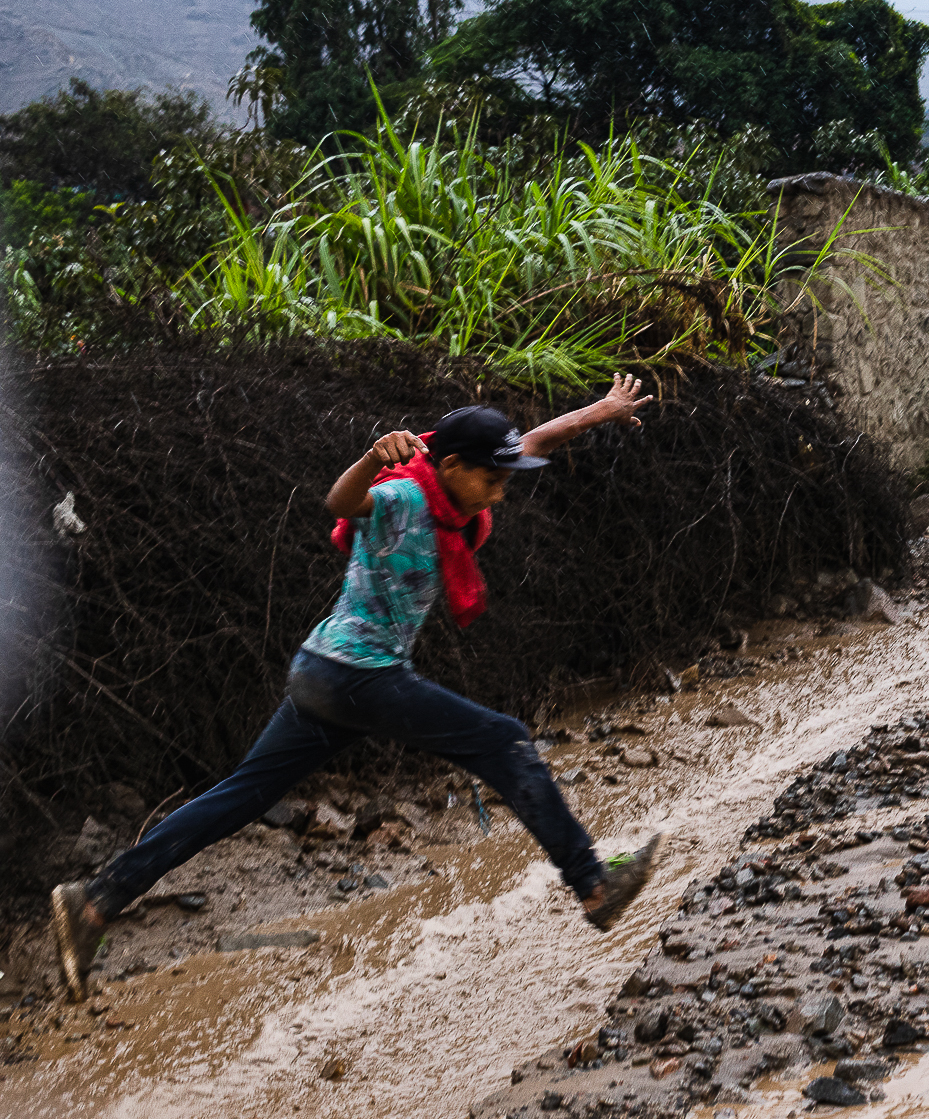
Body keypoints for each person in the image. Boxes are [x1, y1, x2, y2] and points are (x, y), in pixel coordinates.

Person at [50, 377, 665, 1001]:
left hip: (323, 671)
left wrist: (603, 412)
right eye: (492, 480)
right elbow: (341, 503)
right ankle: (593, 885)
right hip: (359, 676)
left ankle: (96, 903)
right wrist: (373, 456)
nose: (501, 494)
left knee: (240, 797)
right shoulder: (402, 495)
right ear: (451, 465)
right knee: (504, 741)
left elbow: (533, 439)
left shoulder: (458, 496)